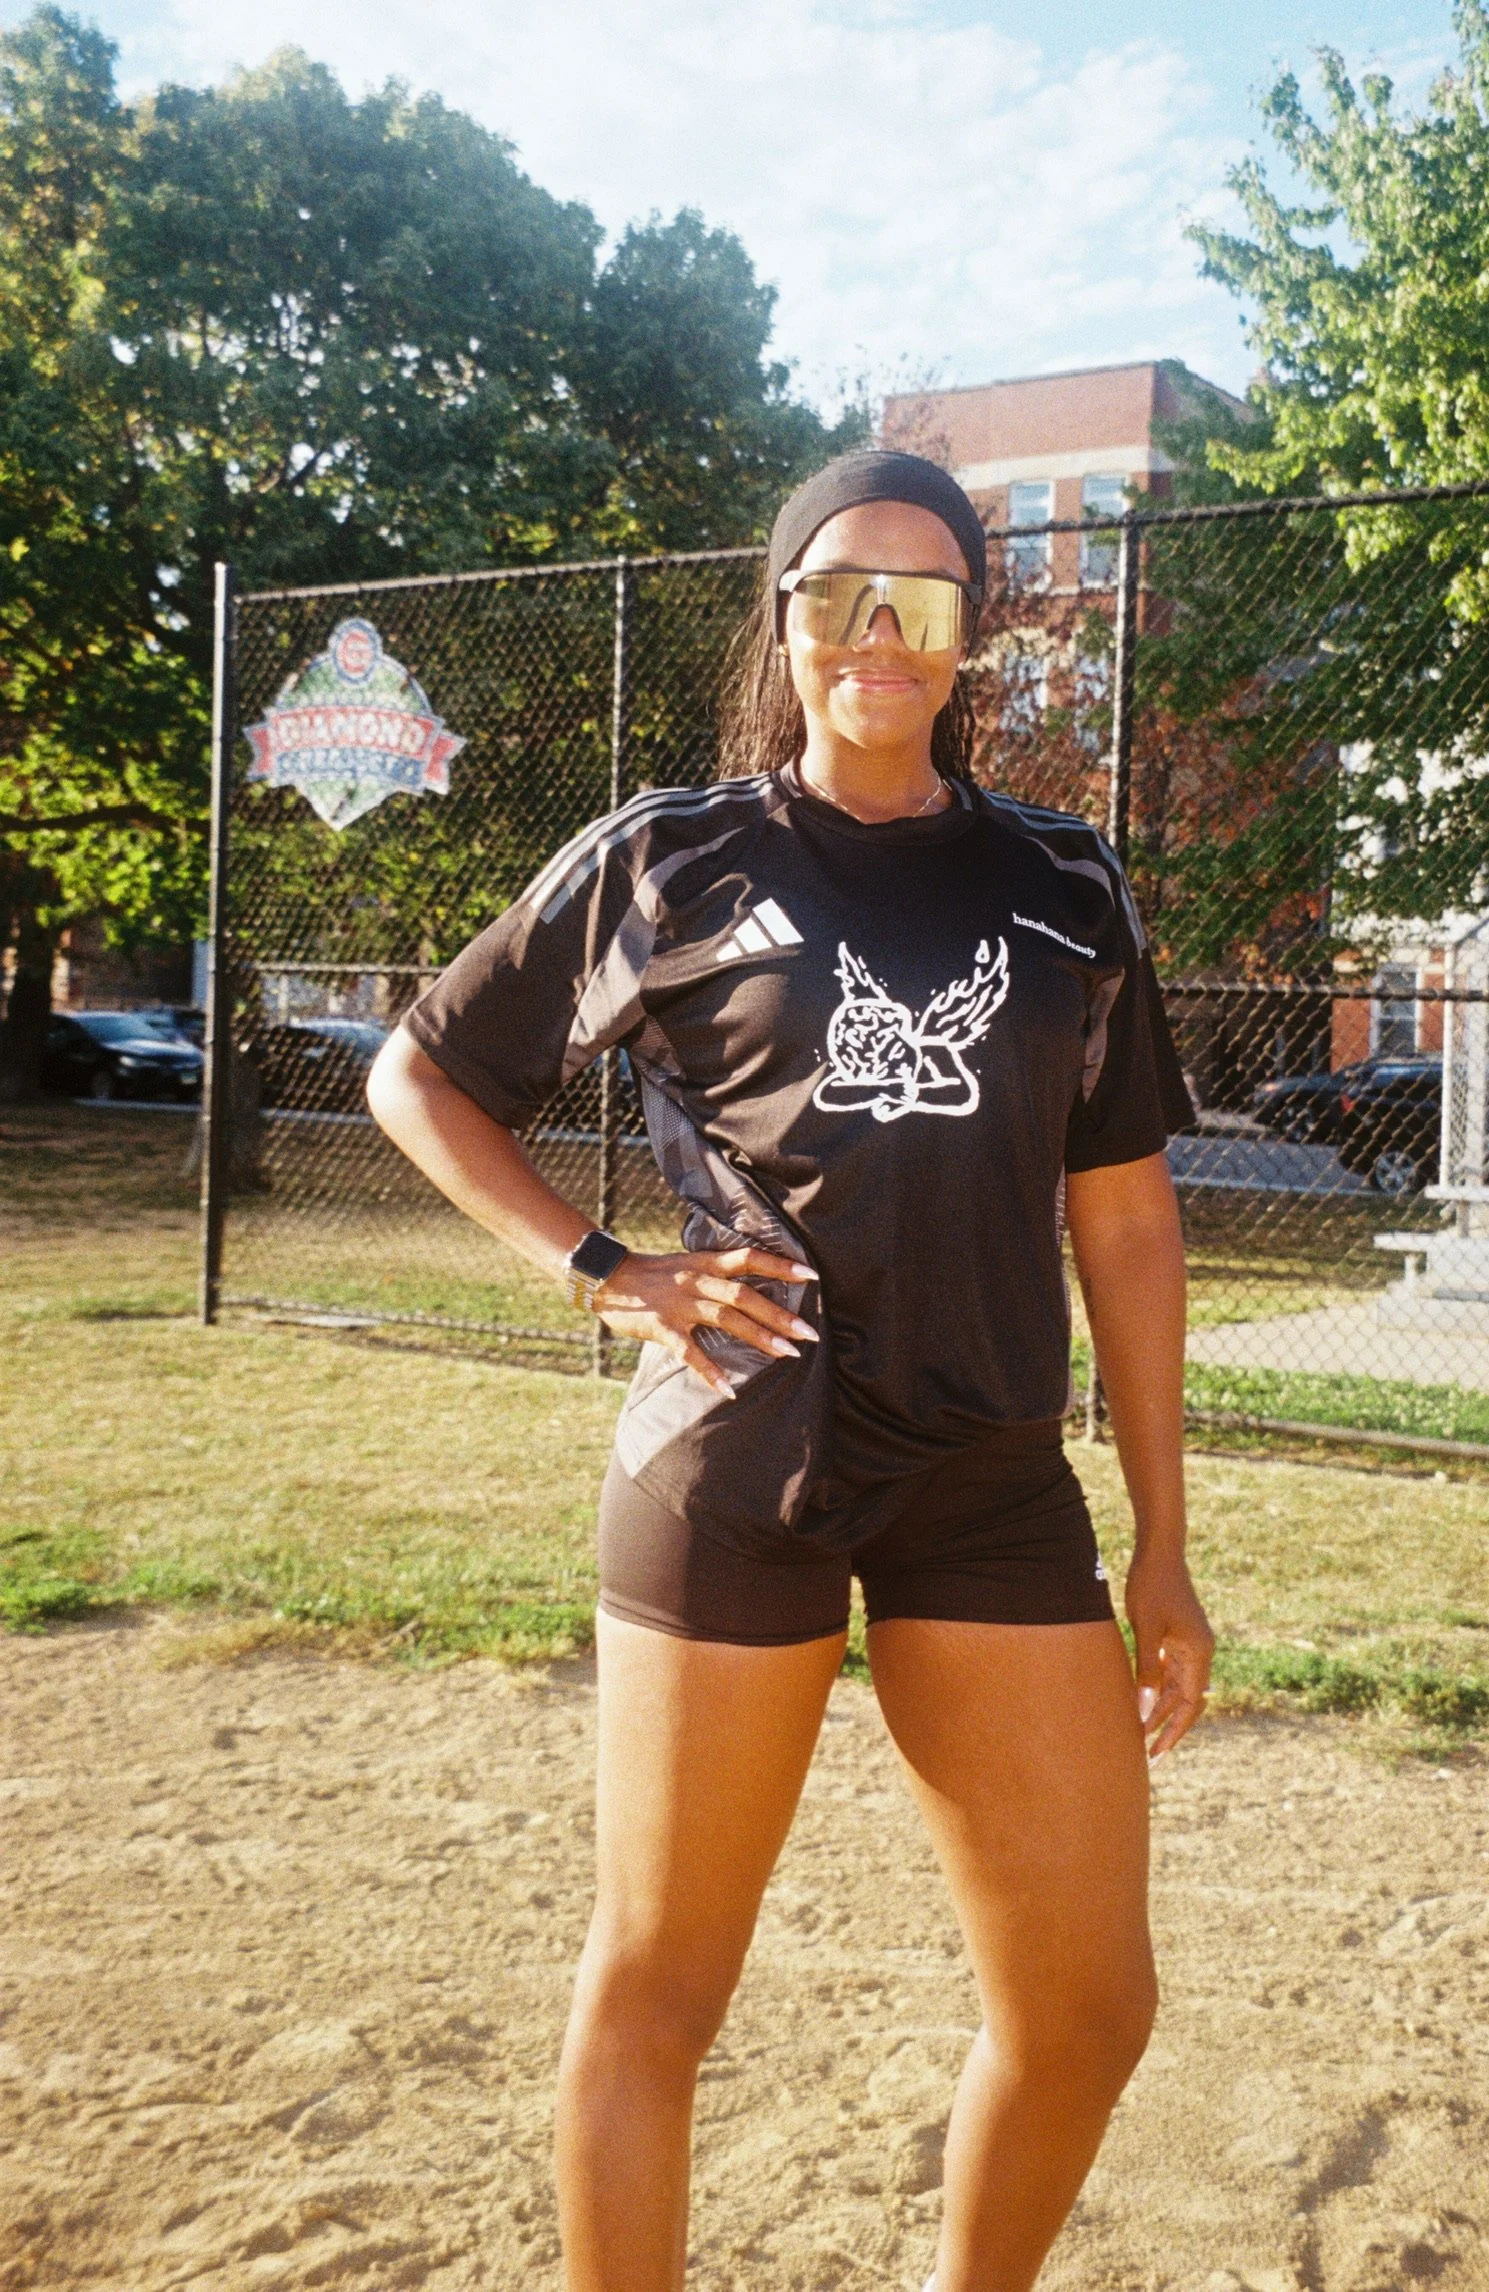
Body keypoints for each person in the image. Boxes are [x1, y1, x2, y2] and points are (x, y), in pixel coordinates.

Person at [367, 447, 1214, 2292]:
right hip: (736, 1464)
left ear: (973, 631)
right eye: (839, 592)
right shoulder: (670, 858)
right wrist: (604, 1268)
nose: (878, 632)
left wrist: (1163, 1539)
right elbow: (419, 1074)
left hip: (985, 1478)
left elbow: (1131, 1223)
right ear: (785, 617)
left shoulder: (1067, 884)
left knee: (1089, 2005)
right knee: (661, 1984)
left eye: (923, 597)